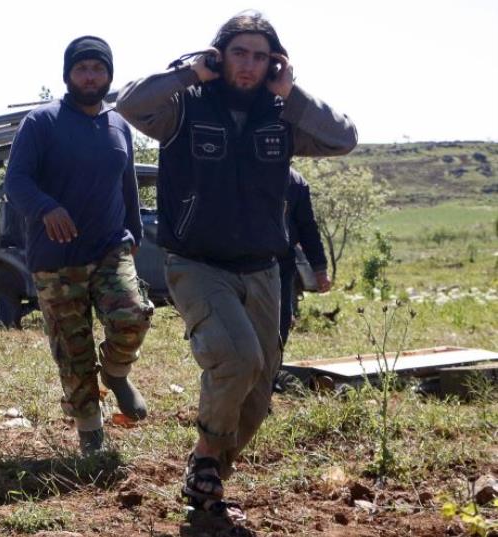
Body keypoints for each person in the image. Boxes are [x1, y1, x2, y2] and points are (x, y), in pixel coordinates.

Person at [116, 11, 357, 519]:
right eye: (239, 53)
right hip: (197, 263)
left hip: (263, 267)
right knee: (239, 357)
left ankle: (210, 476)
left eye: (260, 56)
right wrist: (188, 73)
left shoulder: (281, 114)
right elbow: (130, 104)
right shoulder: (185, 106)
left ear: (274, 63)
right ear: (219, 55)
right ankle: (206, 454)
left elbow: (343, 138)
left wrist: (292, 93)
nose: (249, 65)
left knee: (259, 385)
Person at [5, 36, 153, 454]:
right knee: (73, 350)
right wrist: (46, 208)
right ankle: (90, 432)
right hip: (56, 257)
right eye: (82, 68)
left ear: (109, 74)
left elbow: (128, 187)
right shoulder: (42, 122)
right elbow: (16, 182)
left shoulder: (118, 124)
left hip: (110, 248)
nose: (90, 76)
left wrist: (135, 235)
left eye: (98, 69)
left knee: (133, 315)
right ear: (68, 74)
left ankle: (118, 373)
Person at [279, 168, 331, 345]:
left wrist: (320, 269)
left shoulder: (296, 182)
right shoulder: (237, 170)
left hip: (280, 261)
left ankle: (272, 369)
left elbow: (307, 228)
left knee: (281, 320)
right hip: (238, 262)